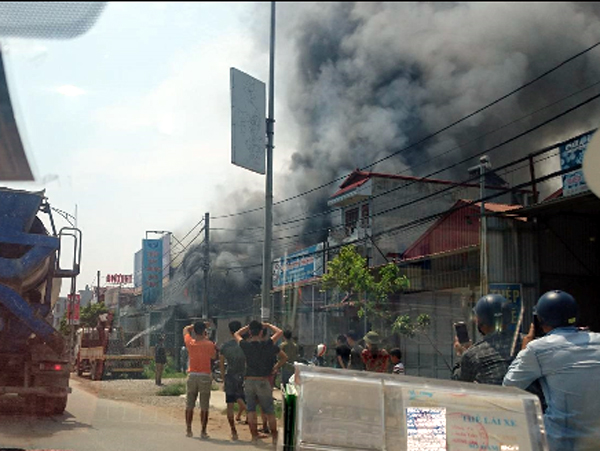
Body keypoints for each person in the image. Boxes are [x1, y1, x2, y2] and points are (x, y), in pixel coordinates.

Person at [503, 290, 600, 451]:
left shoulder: (538, 349)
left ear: (540, 320)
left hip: (561, 441)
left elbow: (510, 385)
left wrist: (524, 350)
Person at [234, 321, 287, 446]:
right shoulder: (268, 344)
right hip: (263, 380)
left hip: (249, 380)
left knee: (251, 409)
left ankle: (254, 437)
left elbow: (236, 334)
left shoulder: (246, 345)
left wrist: (248, 327)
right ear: (262, 332)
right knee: (269, 410)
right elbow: (280, 332)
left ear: (250, 332)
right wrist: (268, 325)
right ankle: (274, 438)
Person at [452, 294, 516, 385]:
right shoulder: (527, 343)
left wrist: (461, 355)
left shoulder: (473, 355)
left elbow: (458, 383)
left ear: (482, 323)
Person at [183, 321, 216, 439]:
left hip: (192, 375)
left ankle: (188, 429)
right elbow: (213, 356)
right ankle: (203, 431)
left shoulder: (190, 342)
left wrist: (196, 325)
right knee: (204, 406)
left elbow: (185, 329)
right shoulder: (209, 344)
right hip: (204, 376)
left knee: (189, 404)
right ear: (204, 331)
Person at [219, 320, 247, 441]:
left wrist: (223, 379)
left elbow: (221, 364)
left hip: (230, 375)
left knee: (230, 406)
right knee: (241, 398)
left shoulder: (225, 346)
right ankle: (253, 427)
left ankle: (234, 431)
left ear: (230, 332)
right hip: (242, 376)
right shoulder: (245, 345)